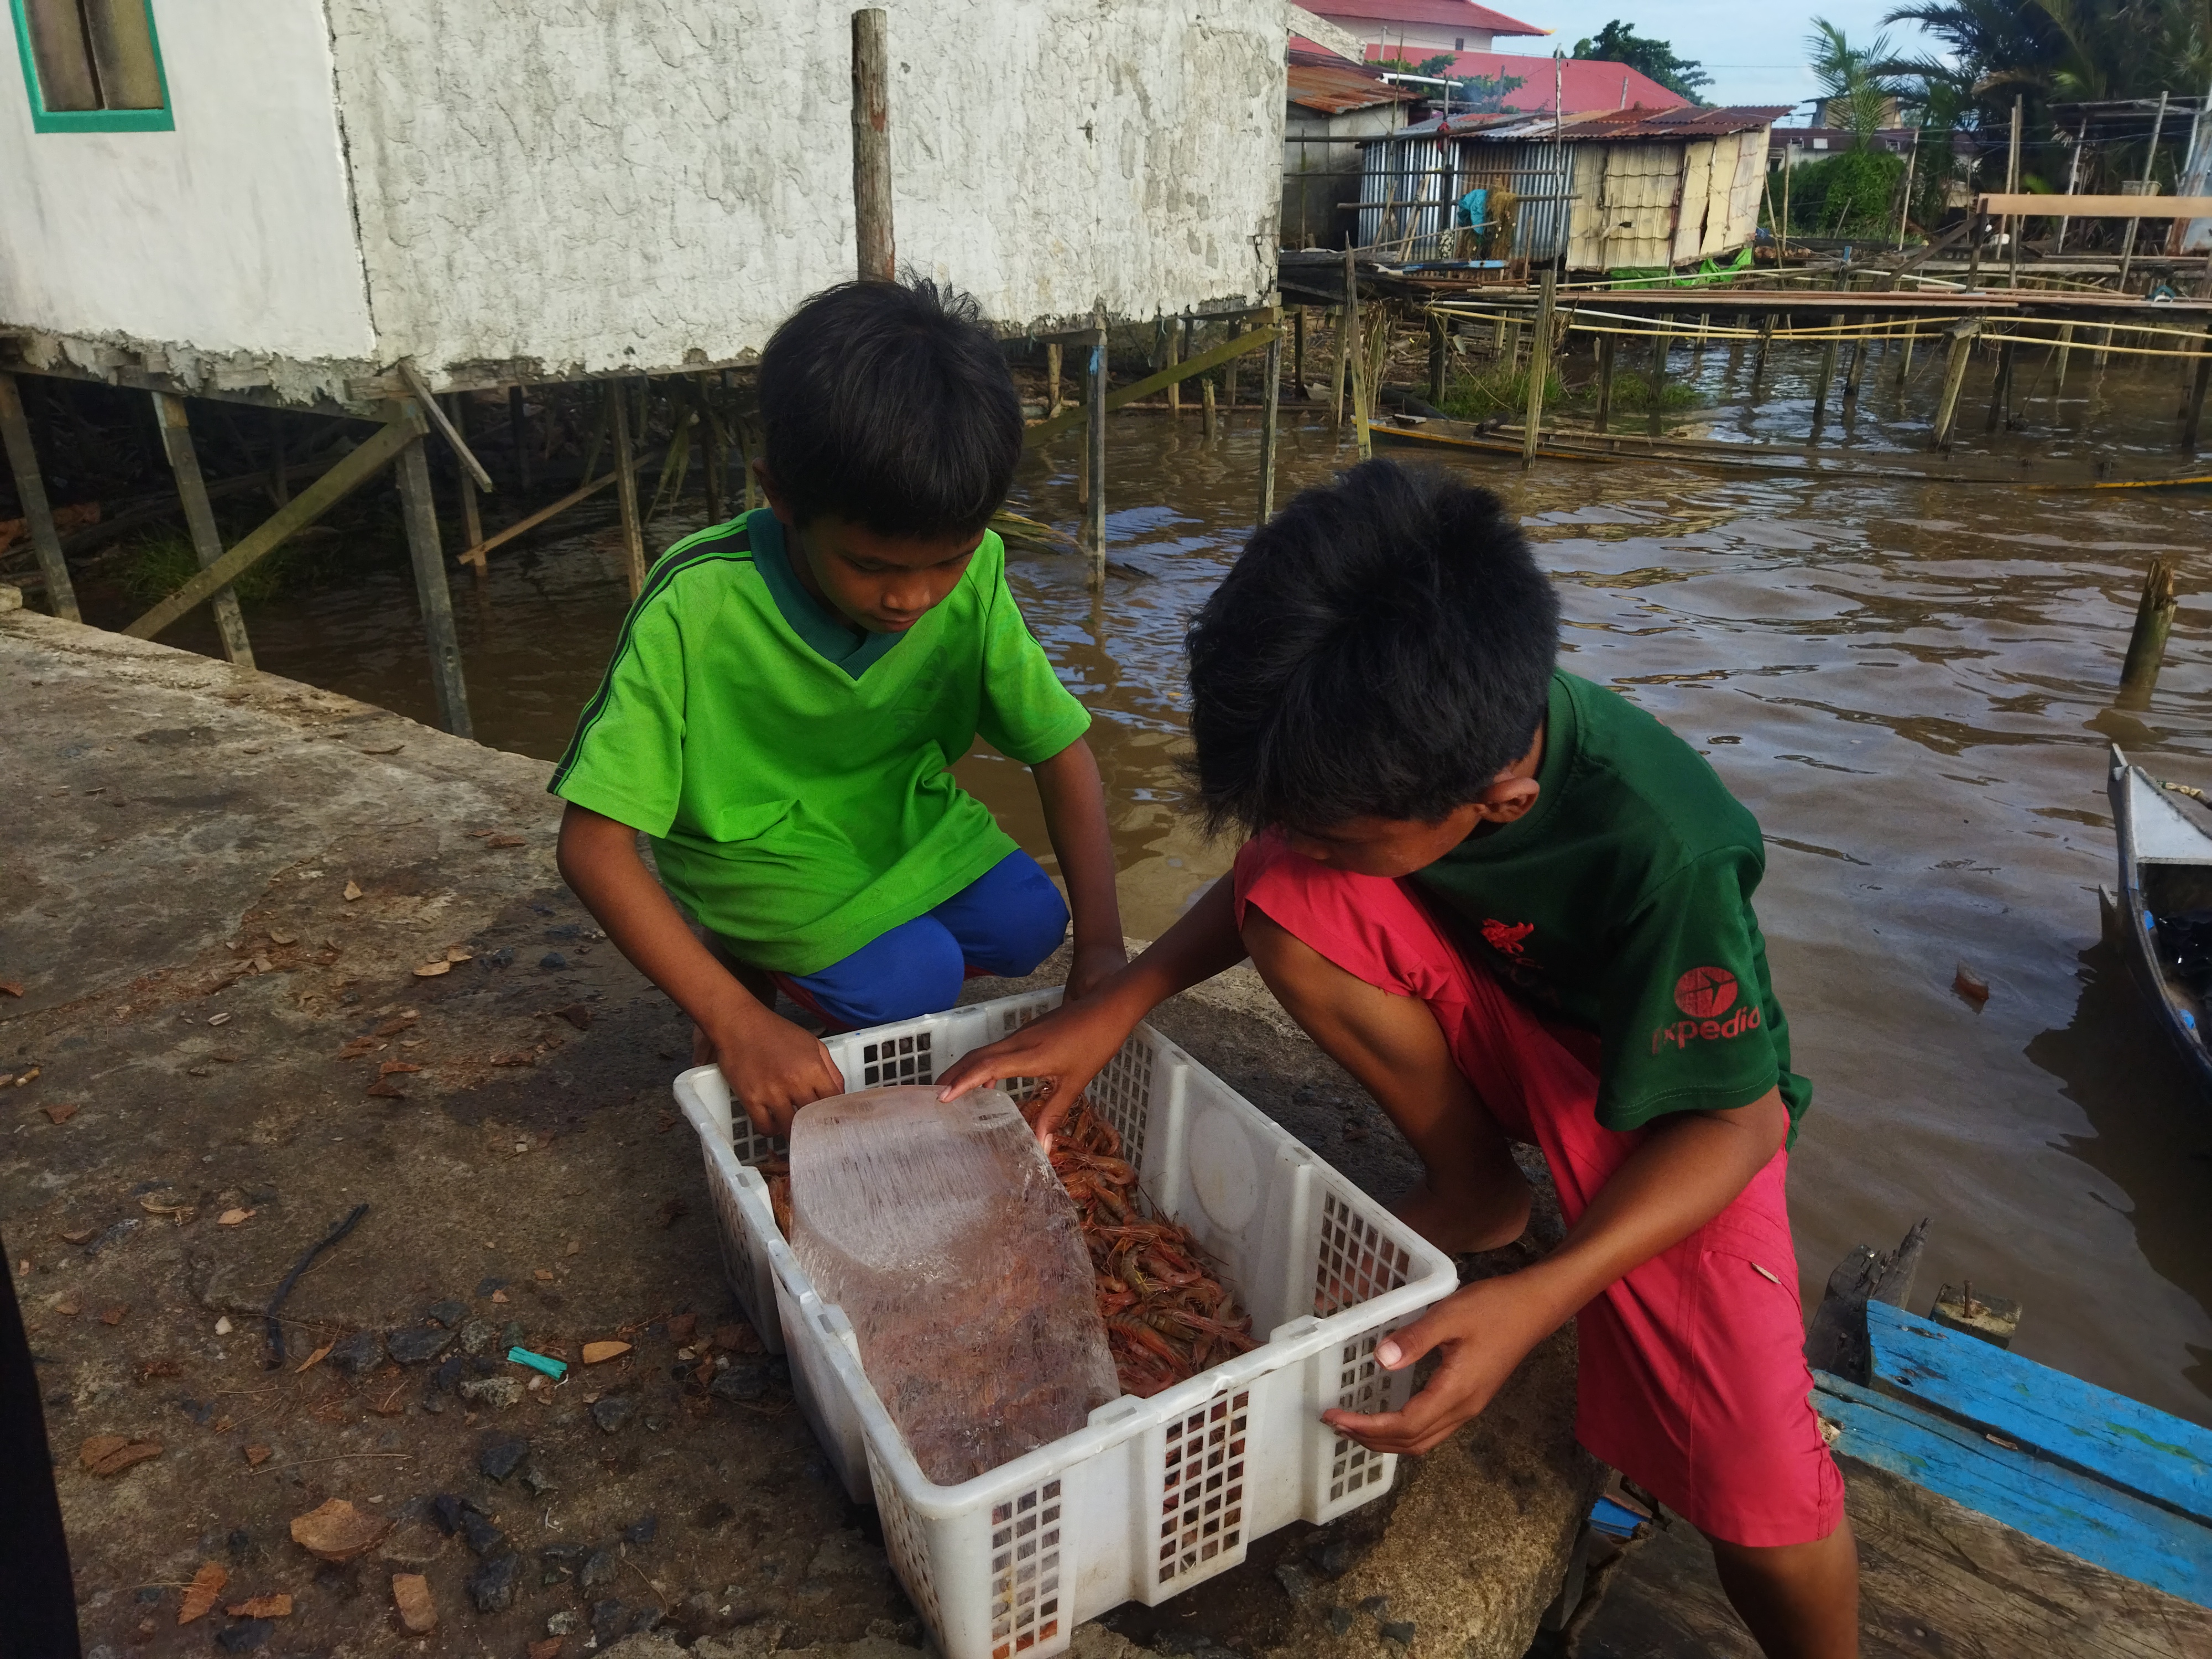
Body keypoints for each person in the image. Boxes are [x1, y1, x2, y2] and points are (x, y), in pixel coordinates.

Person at [937, 460, 1858, 1658]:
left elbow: (1737, 1126)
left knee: (1757, 1487)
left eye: (1339, 831)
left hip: (1663, 1109)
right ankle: (1476, 1193)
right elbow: (1284, 863)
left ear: (1501, 795)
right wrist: (1122, 998)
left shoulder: (1665, 844)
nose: (1306, 840)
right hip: (1507, 1011)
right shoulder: (1404, 732)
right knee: (1276, 885)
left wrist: (1540, 1299)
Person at [554, 278, 1125, 1135]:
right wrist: (734, 1020)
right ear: (779, 496)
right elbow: (592, 845)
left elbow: (1059, 749)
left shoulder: (975, 576)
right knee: (913, 980)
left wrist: (1106, 951)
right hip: (752, 844)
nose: (913, 599)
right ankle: (748, 959)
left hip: (894, 815)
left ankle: (824, 962)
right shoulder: (698, 602)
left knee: (1032, 923)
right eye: (872, 567)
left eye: (947, 560)